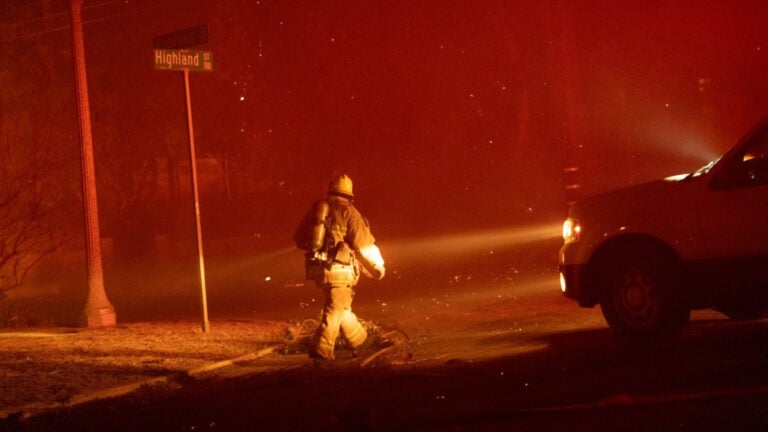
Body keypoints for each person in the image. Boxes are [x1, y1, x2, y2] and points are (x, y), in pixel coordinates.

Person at [294, 174, 386, 361]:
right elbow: (364, 243)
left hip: (317, 268)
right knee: (335, 308)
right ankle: (322, 349)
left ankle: (360, 340)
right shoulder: (349, 212)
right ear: (349, 194)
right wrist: (378, 265)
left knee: (342, 307)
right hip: (340, 270)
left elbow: (297, 238)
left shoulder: (316, 210)